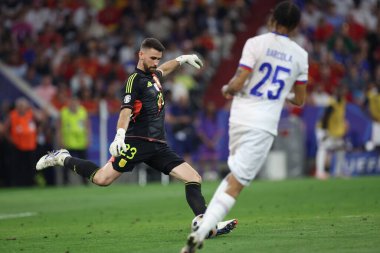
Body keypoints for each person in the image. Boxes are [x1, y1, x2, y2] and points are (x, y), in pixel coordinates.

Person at [36, 38, 236, 236]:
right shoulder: (134, 80)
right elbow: (125, 111)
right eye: (152, 58)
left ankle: (205, 222)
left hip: (158, 145)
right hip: (137, 142)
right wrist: (120, 135)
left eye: (158, 58)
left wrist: (182, 59)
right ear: (141, 55)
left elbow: (164, 69)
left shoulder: (153, 76)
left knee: (193, 177)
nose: (156, 62)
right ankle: (62, 157)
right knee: (102, 179)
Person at [180, 2, 308, 252]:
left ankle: (205, 223)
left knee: (232, 175)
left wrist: (227, 89)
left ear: (273, 20)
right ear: (295, 27)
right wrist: (283, 93)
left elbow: (237, 83)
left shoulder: (254, 43)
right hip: (262, 125)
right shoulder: (301, 55)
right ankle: (204, 230)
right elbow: (300, 99)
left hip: (238, 118)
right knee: (236, 182)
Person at [315, 86, 348, 179]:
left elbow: (339, 116)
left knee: (340, 149)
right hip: (323, 129)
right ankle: (319, 172)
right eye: (340, 91)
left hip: (334, 130)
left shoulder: (342, 101)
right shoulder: (331, 103)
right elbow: (325, 117)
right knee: (322, 148)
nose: (342, 93)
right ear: (336, 92)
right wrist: (325, 133)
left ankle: (338, 172)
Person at [57, 96, 91, 185]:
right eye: (72, 103)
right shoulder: (64, 112)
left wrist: (88, 138)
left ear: (78, 103)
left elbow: (87, 126)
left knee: (83, 164)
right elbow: (59, 128)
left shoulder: (83, 111)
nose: (73, 104)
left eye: (75, 102)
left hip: (81, 143)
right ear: (69, 103)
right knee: (66, 164)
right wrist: (60, 140)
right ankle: (65, 182)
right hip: (68, 143)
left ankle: (85, 182)